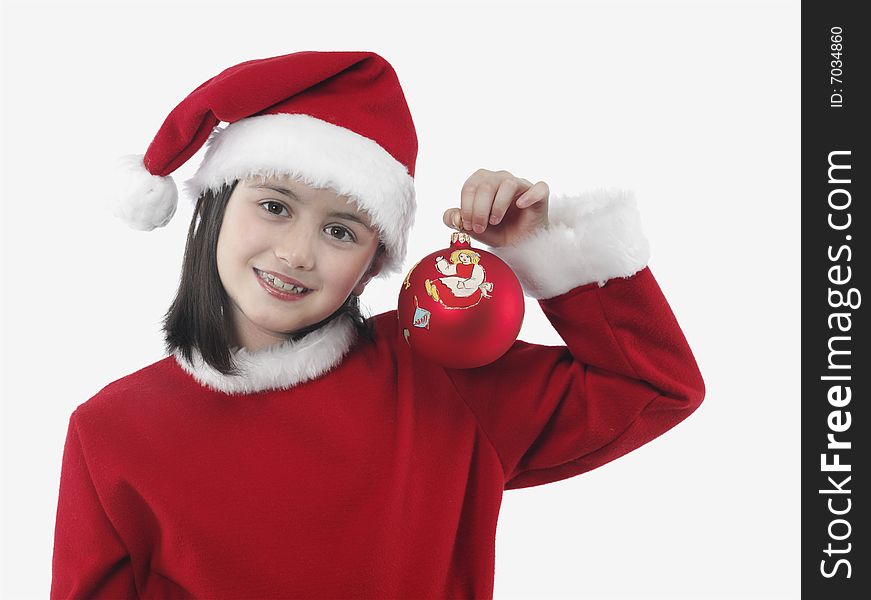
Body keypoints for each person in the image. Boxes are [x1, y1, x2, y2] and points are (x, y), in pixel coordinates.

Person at [50, 50, 705, 599]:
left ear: (373, 262)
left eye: (340, 229)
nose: (297, 253)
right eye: (274, 205)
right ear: (213, 207)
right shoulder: (110, 433)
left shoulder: (440, 378)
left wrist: (542, 249)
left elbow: (652, 387)